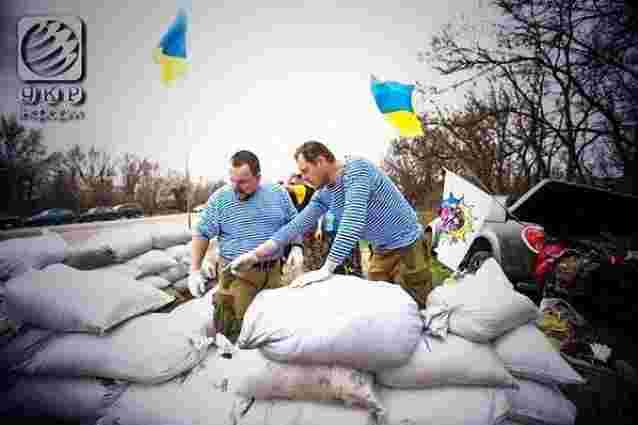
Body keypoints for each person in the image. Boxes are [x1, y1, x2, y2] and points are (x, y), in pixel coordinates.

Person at [228, 141, 432, 308]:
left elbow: (353, 219)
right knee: (380, 310)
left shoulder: (357, 170)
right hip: (381, 251)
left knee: (416, 308)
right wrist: (255, 255)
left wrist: (327, 269)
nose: (304, 178)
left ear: (320, 161)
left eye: (305, 171)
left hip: (408, 245)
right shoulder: (325, 193)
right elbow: (293, 227)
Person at [187, 150, 304, 343]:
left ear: (258, 178)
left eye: (242, 182)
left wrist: (297, 246)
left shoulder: (278, 194)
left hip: (273, 273)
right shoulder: (221, 199)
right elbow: (202, 233)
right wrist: (194, 270)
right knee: (233, 332)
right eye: (232, 180)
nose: (235, 187)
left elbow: (293, 223)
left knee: (271, 327)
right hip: (237, 276)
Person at [284, 173, 324, 273]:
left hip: (303, 226)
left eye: (295, 181)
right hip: (313, 225)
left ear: (300, 179)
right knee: (314, 252)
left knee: (304, 251)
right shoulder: (314, 190)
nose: (294, 183)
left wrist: (288, 179)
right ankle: (314, 270)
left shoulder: (301, 189)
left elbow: (284, 188)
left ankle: (304, 272)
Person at [316, 210, 363, 277]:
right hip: (329, 229)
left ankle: (352, 270)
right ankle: (336, 270)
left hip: (345, 229)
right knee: (329, 251)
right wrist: (319, 228)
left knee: (348, 251)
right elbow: (320, 212)